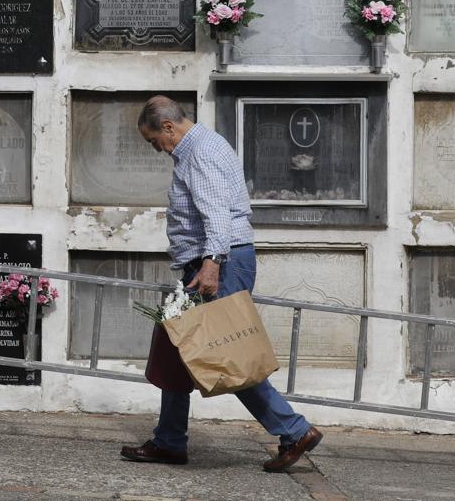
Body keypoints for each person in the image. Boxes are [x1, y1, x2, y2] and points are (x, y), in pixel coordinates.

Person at [120, 95, 322, 473]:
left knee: (228, 353)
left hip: (217, 263)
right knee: (177, 348)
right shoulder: (205, 144)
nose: (157, 149)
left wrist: (212, 264)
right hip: (213, 260)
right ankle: (169, 441)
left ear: (168, 127)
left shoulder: (198, 153)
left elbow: (216, 213)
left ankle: (294, 430)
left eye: (154, 141)